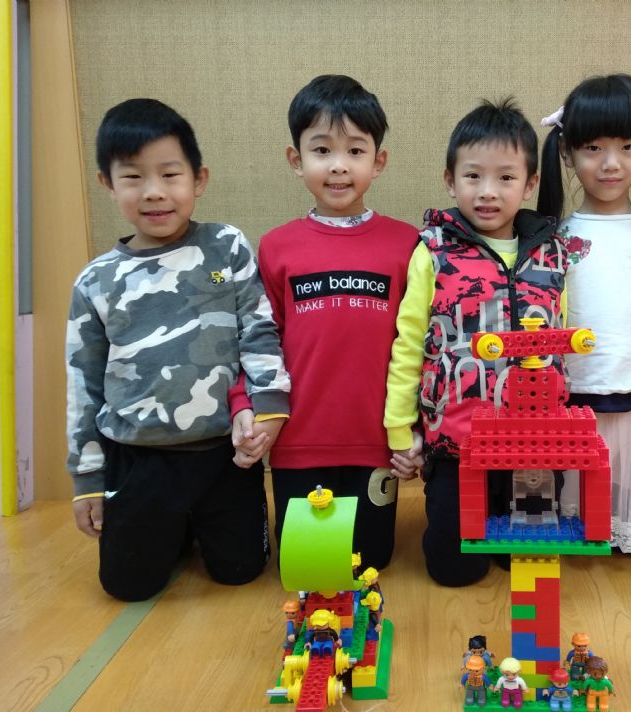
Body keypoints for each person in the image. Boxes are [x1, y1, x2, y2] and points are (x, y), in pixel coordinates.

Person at [66, 98, 291, 601]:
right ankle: (173, 528)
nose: (154, 192)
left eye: (170, 175)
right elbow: (83, 386)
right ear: (107, 183)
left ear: (198, 179)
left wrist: (270, 406)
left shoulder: (225, 246)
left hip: (224, 457)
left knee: (242, 571)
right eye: (133, 178)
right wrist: (87, 479)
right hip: (138, 459)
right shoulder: (96, 281)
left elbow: (258, 331)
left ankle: (192, 525)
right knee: (128, 587)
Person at [229, 75, 421, 571]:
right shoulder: (276, 246)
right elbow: (257, 339)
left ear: (378, 161)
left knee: (370, 563)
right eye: (321, 150)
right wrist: (243, 405)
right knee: (308, 569)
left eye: (355, 150)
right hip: (298, 442)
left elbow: (422, 345)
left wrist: (416, 431)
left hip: (376, 443)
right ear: (296, 160)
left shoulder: (408, 244)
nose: (339, 165)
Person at [384, 99, 568, 586]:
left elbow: (564, 335)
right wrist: (401, 430)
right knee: (454, 570)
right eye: (473, 176)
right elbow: (409, 344)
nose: (488, 191)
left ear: (530, 183)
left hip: (534, 440)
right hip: (456, 442)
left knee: (524, 562)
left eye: (505, 178)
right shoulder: (433, 250)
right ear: (450, 180)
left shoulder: (552, 253)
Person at [538, 74, 631, 555]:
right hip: (569, 404)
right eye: (593, 148)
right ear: (566, 153)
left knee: (628, 543)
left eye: (627, 147)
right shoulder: (552, 239)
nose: (610, 163)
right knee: (568, 531)